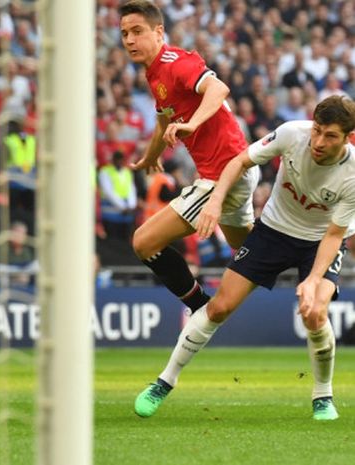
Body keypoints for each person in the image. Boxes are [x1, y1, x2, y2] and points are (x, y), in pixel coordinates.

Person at [134, 95, 355, 421]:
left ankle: (322, 395)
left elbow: (335, 235)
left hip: (319, 241)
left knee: (314, 311)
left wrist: (311, 281)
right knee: (220, 306)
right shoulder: (292, 133)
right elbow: (238, 161)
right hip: (272, 232)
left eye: (331, 136)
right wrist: (215, 201)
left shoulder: (351, 174)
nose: (319, 141)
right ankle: (164, 382)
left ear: (348, 137)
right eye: (318, 130)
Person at [119, 1, 259, 314]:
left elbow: (218, 88)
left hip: (221, 172)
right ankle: (311, 264)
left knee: (144, 242)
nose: (129, 40)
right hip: (238, 166)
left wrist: (193, 122)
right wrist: (149, 157)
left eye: (137, 31)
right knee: (251, 250)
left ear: (158, 32)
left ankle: (200, 309)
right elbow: (163, 121)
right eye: (125, 33)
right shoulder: (155, 74)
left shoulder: (175, 62)